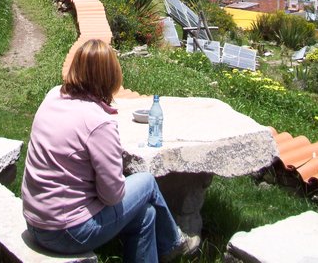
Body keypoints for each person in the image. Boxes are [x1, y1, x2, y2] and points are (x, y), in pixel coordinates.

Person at [22, 38, 200, 262]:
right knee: (147, 183)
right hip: (67, 232)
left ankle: (165, 246)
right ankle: (174, 243)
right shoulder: (98, 123)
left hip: (36, 219)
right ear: (110, 77)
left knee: (146, 215)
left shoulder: (53, 96)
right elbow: (112, 195)